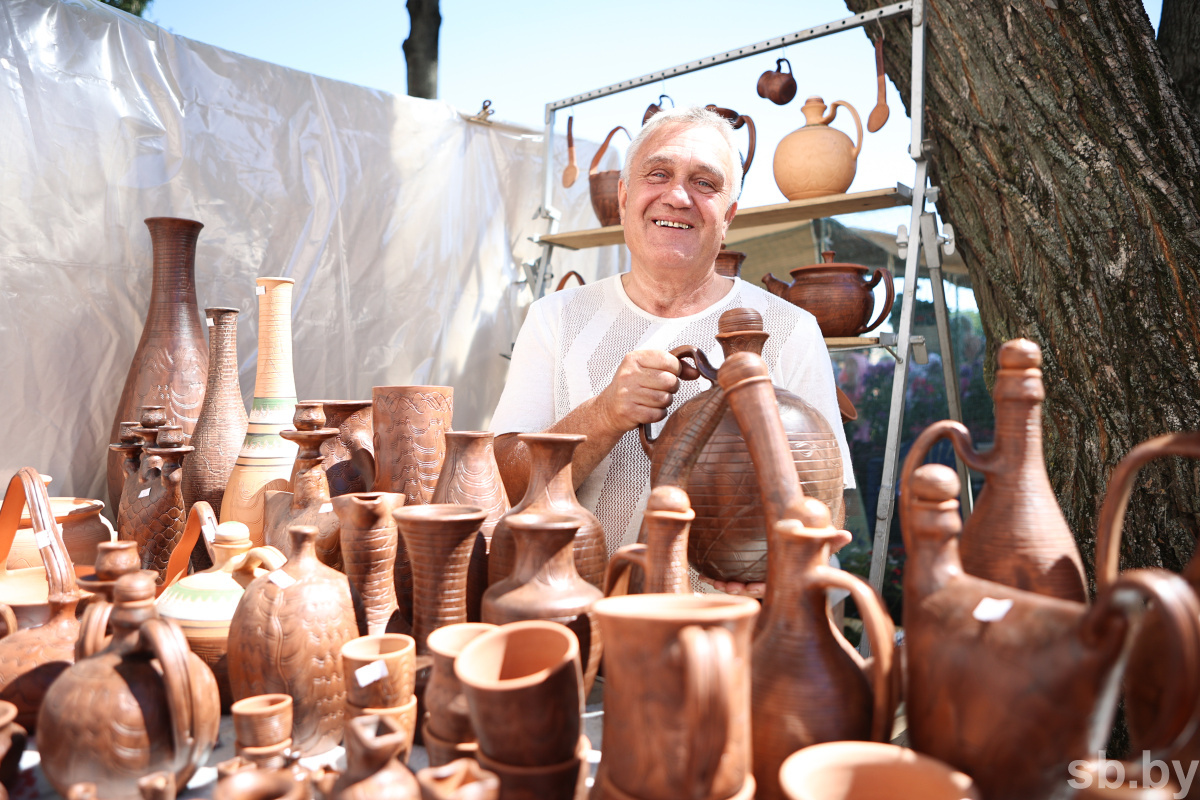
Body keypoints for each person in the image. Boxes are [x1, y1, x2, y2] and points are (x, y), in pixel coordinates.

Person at [490, 105, 854, 595]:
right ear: (623, 196)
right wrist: (603, 413)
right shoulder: (556, 318)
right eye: (657, 174)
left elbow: (828, 504)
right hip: (577, 621)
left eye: (705, 183)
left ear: (727, 216)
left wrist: (781, 571)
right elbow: (505, 486)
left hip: (727, 631)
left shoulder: (790, 329)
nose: (678, 196)